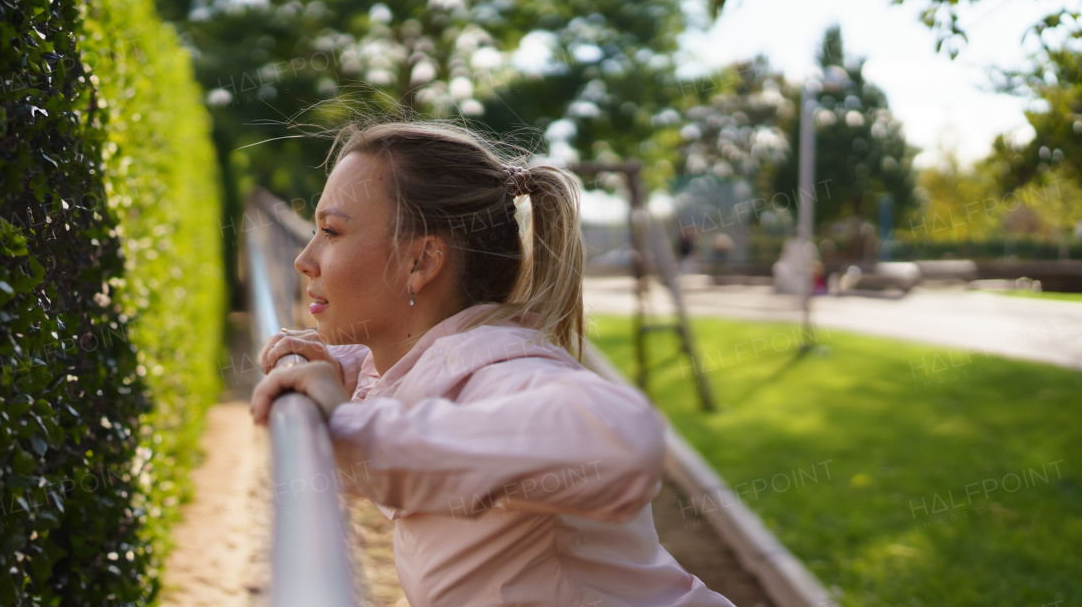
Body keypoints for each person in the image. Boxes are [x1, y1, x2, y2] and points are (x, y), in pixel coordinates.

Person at [250, 120, 735, 607]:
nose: (305, 259)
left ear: (421, 262)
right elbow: (397, 447)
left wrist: (354, 420)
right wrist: (346, 374)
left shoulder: (507, 371)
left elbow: (626, 438)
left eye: (331, 231)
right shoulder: (426, 370)